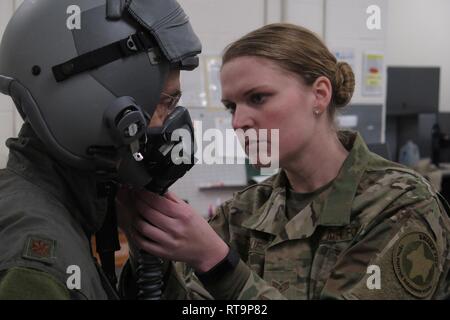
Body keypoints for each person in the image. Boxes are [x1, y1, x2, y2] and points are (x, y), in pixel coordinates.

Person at [118, 23, 450, 300]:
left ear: (319, 95)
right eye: (232, 107)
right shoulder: (244, 212)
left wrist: (217, 263)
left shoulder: (399, 205)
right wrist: (150, 246)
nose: (238, 122)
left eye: (258, 98)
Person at [0, 0, 201, 299]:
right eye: (165, 102)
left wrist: (147, 249)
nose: (169, 122)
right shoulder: (38, 266)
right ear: (92, 103)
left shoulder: (59, 213)